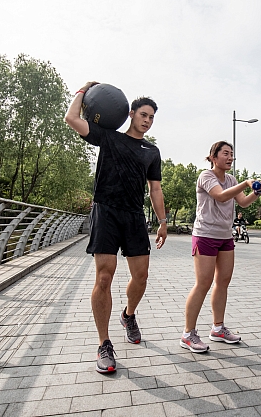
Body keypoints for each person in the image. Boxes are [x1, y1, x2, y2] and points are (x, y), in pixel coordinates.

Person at [64, 81, 168, 374]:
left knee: (141, 277)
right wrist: (83, 91)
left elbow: (156, 189)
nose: (147, 121)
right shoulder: (108, 137)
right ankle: (104, 343)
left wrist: (162, 222)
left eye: (151, 117)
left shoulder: (151, 151)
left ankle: (128, 315)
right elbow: (72, 118)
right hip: (106, 211)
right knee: (105, 277)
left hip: (135, 216)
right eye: (143, 114)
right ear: (131, 114)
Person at [180, 141, 261, 353]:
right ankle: (188, 334)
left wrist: (258, 192)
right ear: (213, 157)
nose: (230, 157)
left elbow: (242, 202)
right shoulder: (206, 176)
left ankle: (218, 328)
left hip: (225, 236)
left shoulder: (231, 179)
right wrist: (246, 183)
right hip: (205, 235)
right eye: (225, 153)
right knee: (203, 283)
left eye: (232, 153)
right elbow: (220, 195)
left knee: (222, 282)